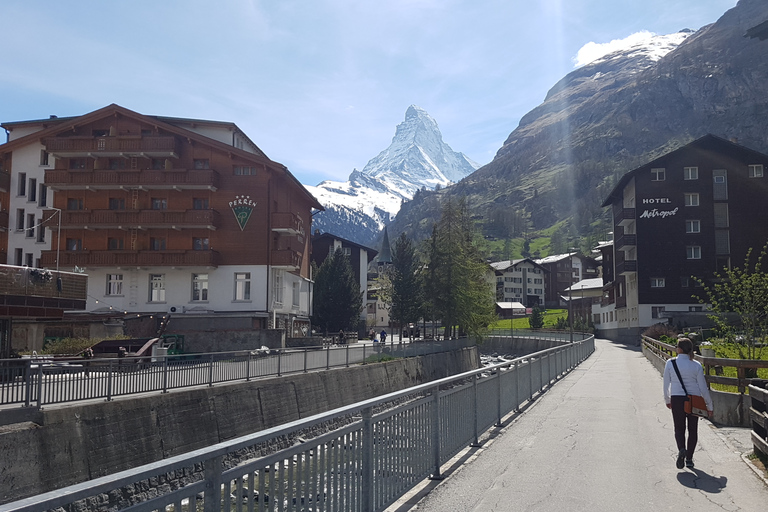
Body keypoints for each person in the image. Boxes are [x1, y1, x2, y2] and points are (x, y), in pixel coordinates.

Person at [662, 337, 714, 469]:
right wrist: (709, 405)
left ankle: (681, 449)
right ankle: (689, 459)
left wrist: (667, 399)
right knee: (693, 430)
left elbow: (666, 383)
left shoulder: (670, 363)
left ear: (679, 349)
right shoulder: (696, 365)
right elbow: (703, 387)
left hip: (677, 398)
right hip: (694, 399)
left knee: (679, 429)